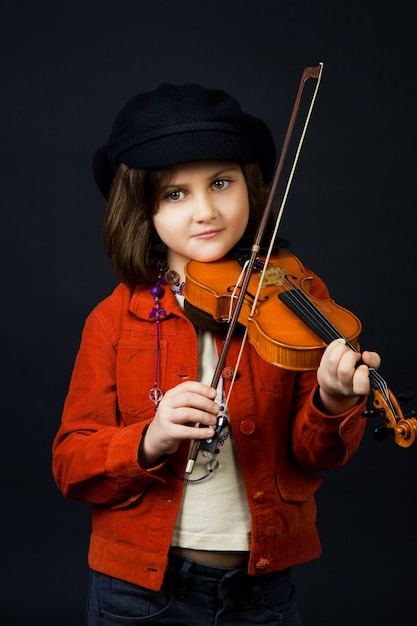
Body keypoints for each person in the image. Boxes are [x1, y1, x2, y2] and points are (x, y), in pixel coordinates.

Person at [52, 83, 380, 626]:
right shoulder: (113, 319)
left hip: (261, 591)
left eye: (221, 183)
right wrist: (151, 438)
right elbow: (71, 465)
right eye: (175, 194)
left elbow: (315, 455)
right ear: (142, 211)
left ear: (251, 186)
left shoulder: (297, 297)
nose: (205, 211)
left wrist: (331, 400)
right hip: (138, 590)